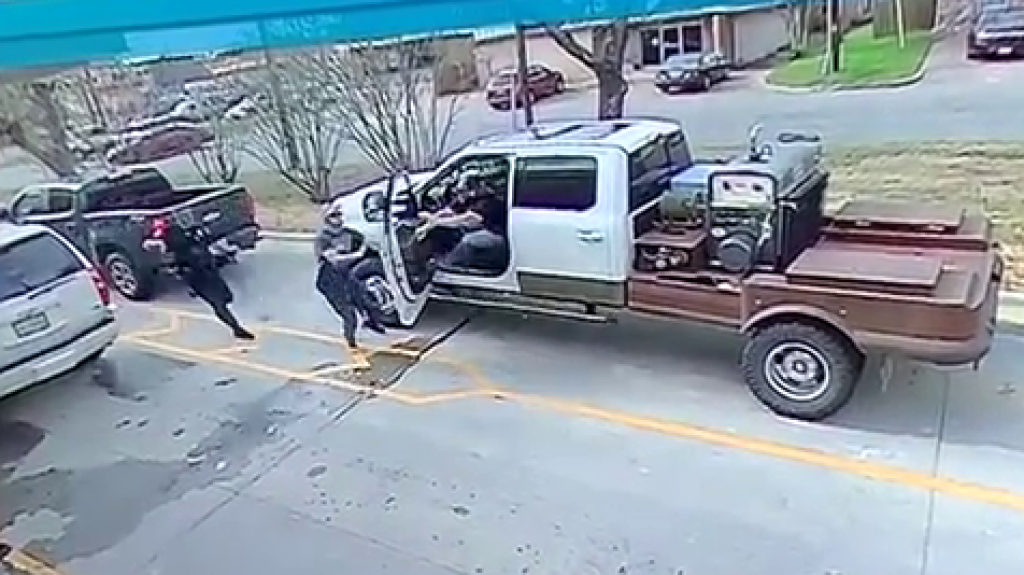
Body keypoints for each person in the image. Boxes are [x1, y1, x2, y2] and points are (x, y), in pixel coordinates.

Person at [163, 222, 256, 340]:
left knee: (225, 297)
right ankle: (236, 328)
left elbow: (205, 247)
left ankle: (233, 324)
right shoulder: (181, 253)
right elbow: (182, 269)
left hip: (208, 273)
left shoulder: (191, 243)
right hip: (201, 279)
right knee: (219, 304)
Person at [314, 203, 386, 349]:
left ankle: (372, 322)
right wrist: (357, 255)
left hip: (345, 275)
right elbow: (333, 260)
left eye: (339, 215)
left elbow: (366, 238)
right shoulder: (322, 238)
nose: (338, 218)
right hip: (329, 280)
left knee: (367, 300)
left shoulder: (348, 233)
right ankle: (351, 342)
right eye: (334, 216)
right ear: (327, 219)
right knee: (349, 314)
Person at [416, 171, 507, 271]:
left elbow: (468, 218)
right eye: (457, 191)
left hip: (498, 235)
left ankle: (447, 265)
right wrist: (428, 223)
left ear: (475, 188)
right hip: (478, 229)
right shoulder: (464, 197)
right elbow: (448, 211)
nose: (459, 195)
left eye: (463, 191)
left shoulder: (487, 199)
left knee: (469, 241)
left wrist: (435, 222)